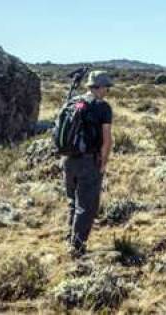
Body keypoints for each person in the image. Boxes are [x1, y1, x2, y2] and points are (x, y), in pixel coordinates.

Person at [63, 70, 114, 258]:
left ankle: (70, 239)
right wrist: (103, 163)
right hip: (88, 161)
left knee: (73, 202)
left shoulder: (73, 102)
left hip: (68, 159)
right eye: (107, 87)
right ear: (99, 87)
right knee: (87, 205)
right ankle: (77, 248)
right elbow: (107, 140)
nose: (107, 91)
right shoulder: (102, 107)